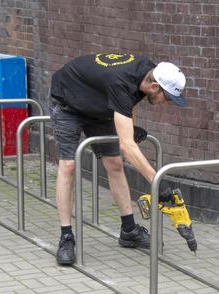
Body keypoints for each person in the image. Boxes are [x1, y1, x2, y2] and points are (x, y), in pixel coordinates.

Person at [49, 53, 186, 265]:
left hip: (100, 107)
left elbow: (130, 100)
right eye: (167, 98)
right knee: (68, 165)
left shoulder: (146, 72)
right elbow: (127, 146)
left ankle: (129, 230)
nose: (165, 103)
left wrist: (130, 126)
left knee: (114, 163)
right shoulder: (120, 82)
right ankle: (66, 237)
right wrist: (158, 182)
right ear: (155, 87)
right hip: (69, 102)